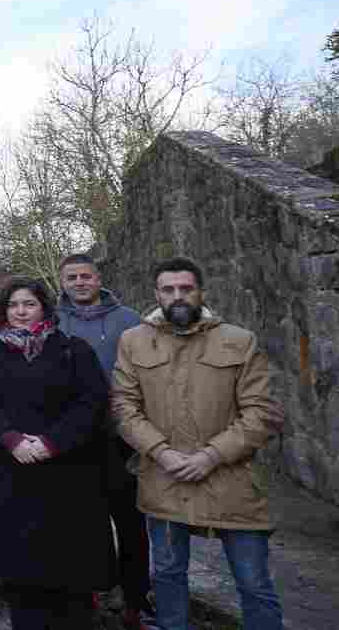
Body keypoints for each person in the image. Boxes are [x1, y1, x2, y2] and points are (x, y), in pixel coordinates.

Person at [112, 258, 285, 630]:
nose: (178, 296)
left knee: (254, 582)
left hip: (232, 481)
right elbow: (125, 408)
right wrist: (161, 452)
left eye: (185, 288)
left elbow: (261, 413)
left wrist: (211, 455)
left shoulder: (239, 341)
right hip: (164, 479)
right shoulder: (133, 341)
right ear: (156, 293)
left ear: (200, 291)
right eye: (168, 289)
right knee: (169, 575)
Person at [0, 277, 115, 630]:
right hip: (9, 473)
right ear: (4, 310)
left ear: (44, 307)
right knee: (21, 579)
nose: (21, 312)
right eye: (14, 305)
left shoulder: (72, 349)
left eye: (29, 304)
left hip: (66, 475)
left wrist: (51, 442)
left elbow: (91, 402)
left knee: (70, 579)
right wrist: (11, 439)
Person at [57, 253, 153, 628]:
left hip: (123, 437)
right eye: (72, 277)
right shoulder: (53, 322)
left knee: (131, 522)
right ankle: (93, 589)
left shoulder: (129, 321)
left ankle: (135, 597)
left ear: (99, 279)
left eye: (86, 276)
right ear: (62, 282)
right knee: (83, 521)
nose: (79, 282)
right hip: (76, 440)